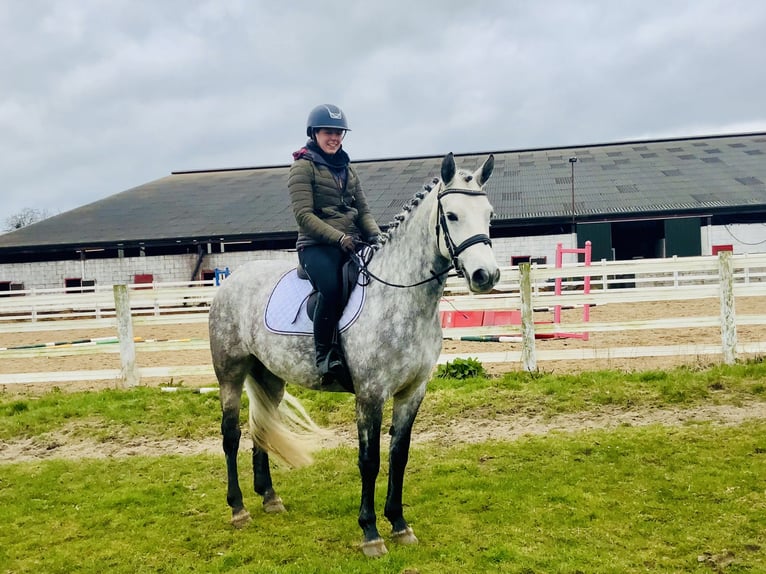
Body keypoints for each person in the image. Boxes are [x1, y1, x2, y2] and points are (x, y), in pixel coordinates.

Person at [288, 104, 381, 388]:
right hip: (316, 246)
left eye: (339, 133)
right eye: (329, 132)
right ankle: (325, 355)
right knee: (331, 287)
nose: (335, 138)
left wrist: (378, 237)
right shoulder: (302, 168)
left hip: (351, 242)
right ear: (314, 133)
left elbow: (363, 212)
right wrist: (339, 238)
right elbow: (304, 216)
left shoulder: (348, 170)